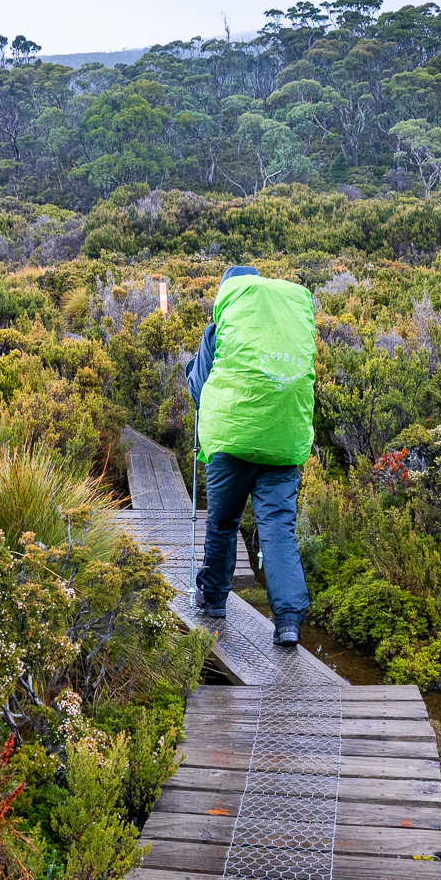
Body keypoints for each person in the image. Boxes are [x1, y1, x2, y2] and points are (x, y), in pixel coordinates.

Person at [184, 265, 316, 647]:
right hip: (283, 444)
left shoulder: (218, 331)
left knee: (223, 522)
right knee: (278, 530)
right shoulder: (288, 329)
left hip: (231, 441)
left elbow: (199, 387)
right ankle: (288, 621)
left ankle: (214, 599)